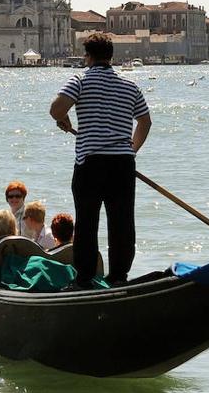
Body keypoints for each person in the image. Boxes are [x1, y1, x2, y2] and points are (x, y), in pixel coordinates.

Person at [49, 32, 151, 288]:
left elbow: (55, 109)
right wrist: (132, 149)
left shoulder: (80, 81)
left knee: (86, 222)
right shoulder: (130, 86)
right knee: (122, 222)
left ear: (88, 56)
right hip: (122, 164)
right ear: (111, 57)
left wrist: (64, 119)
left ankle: (84, 278)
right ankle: (118, 277)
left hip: (91, 162)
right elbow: (145, 121)